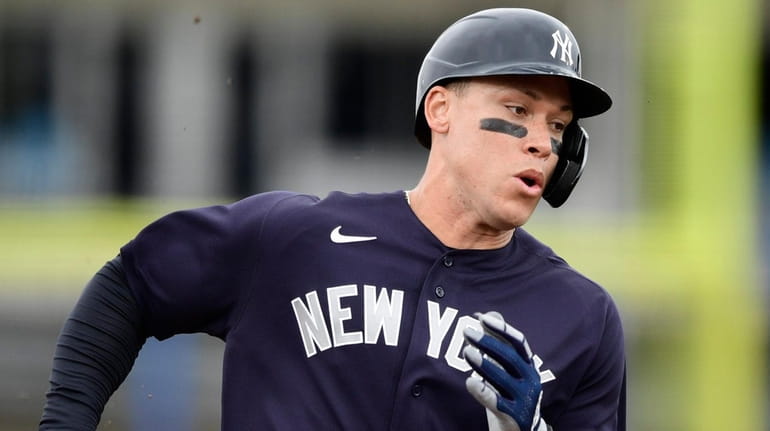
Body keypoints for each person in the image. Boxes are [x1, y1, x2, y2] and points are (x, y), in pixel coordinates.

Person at [39, 7, 625, 431]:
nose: (542, 144)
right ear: (440, 109)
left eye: (557, 125)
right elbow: (131, 285)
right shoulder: (294, 239)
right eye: (518, 109)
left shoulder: (582, 318)